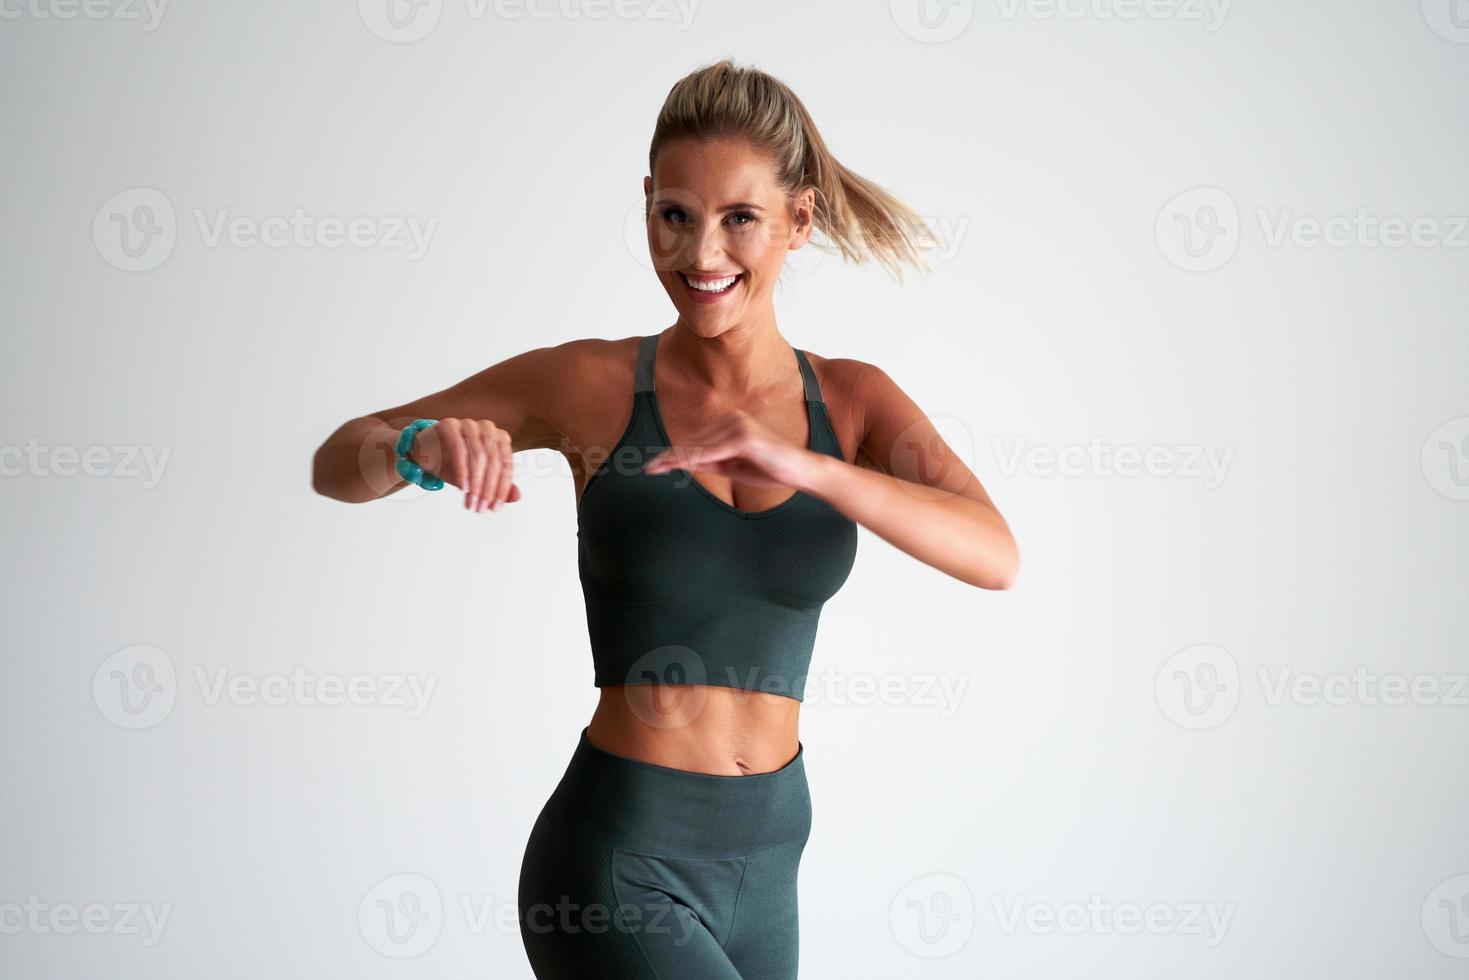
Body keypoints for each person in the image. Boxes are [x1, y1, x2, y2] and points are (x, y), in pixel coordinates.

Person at [311, 57, 1019, 980]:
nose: (700, 256)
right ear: (647, 202)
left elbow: (993, 553)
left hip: (768, 871)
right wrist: (413, 452)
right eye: (674, 216)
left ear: (798, 220)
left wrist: (812, 469)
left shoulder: (850, 401)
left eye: (739, 220)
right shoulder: (591, 385)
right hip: (616, 860)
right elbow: (337, 460)